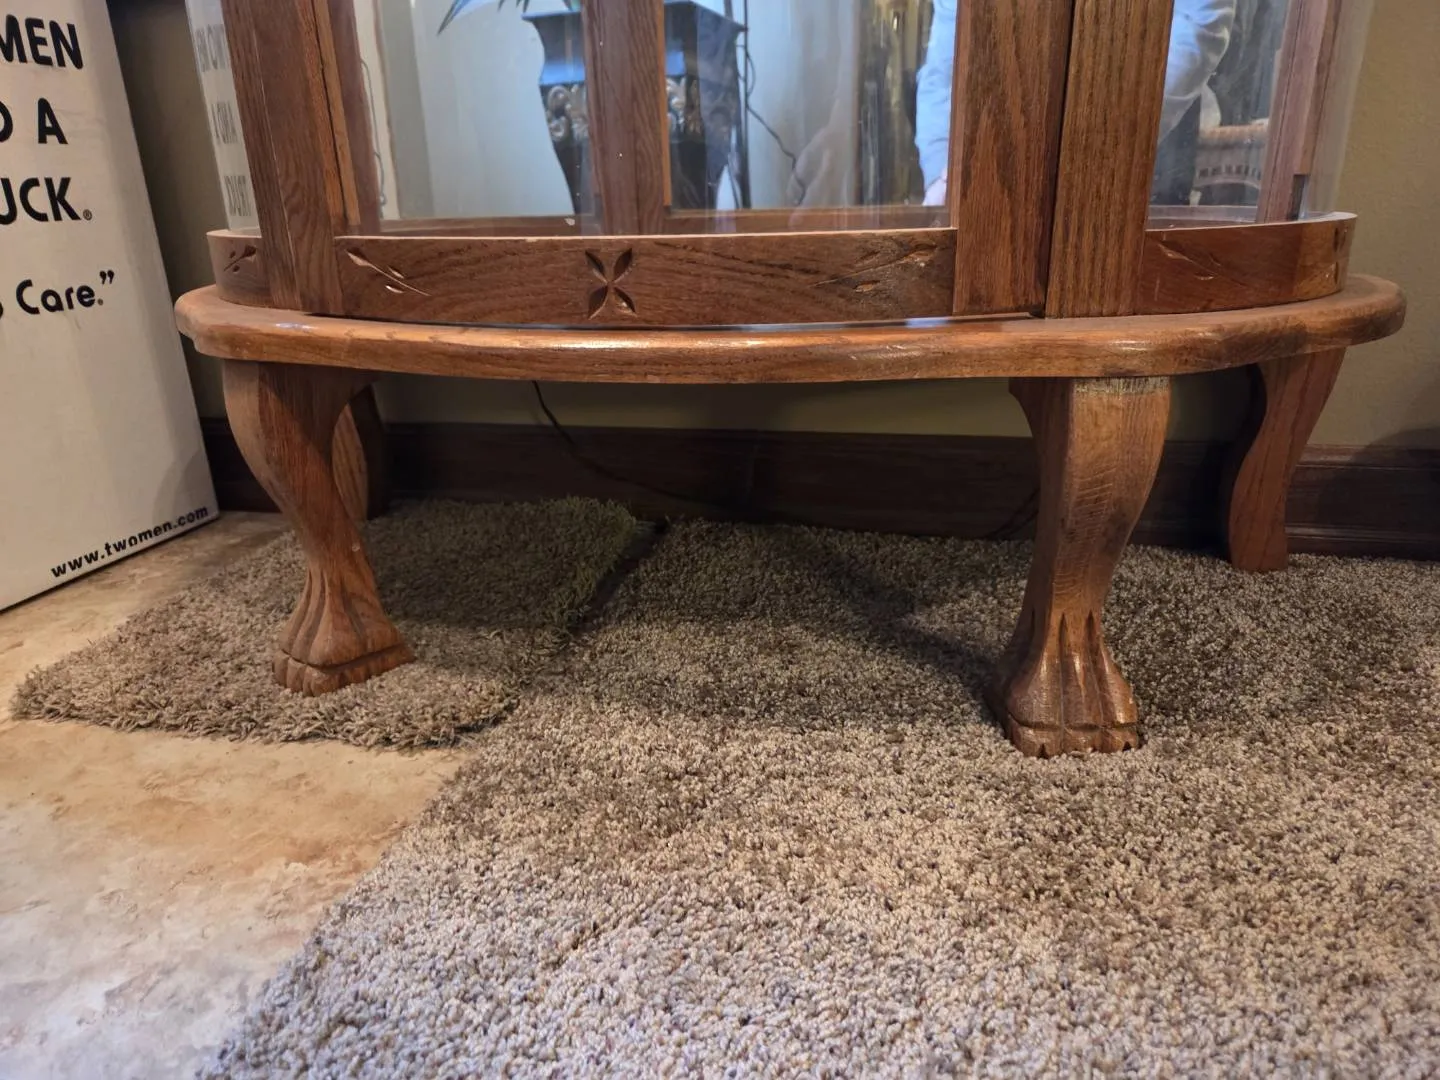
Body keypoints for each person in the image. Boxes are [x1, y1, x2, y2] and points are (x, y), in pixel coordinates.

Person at [916, 0, 1239, 206]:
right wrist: (941, 171)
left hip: (1136, 141)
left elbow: (1200, 21)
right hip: (992, 161)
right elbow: (946, 64)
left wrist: (1110, 146)